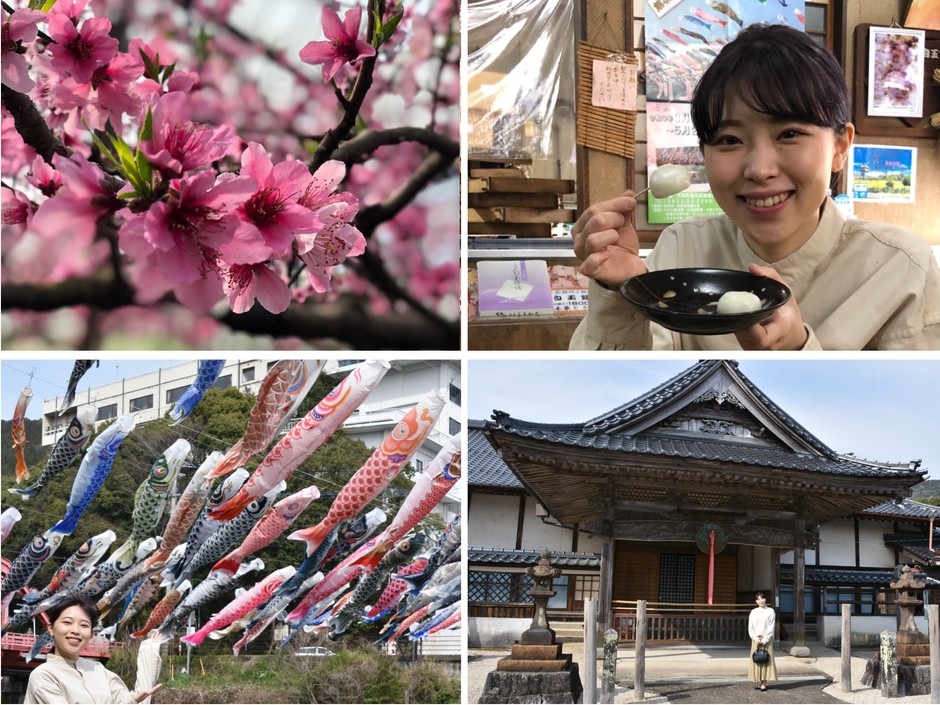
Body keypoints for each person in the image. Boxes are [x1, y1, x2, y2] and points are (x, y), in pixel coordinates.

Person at [570, 23, 940, 351]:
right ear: (703, 153)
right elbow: (613, 387)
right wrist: (621, 292)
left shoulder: (899, 269)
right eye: (729, 140)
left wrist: (798, 352)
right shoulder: (683, 248)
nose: (759, 170)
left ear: (840, 148)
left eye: (789, 133)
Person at [25, 595, 163, 704]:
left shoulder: (98, 670)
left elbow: (128, 699)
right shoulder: (43, 676)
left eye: (84, 625)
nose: (75, 630)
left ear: (91, 634)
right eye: (67, 622)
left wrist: (149, 653)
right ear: (50, 628)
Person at [748, 591, 777, 691]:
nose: (761, 601)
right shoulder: (753, 612)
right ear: (756, 601)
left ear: (766, 599)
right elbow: (750, 627)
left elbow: (771, 627)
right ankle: (760, 681)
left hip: (766, 639)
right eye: (758, 599)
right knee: (757, 659)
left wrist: (764, 640)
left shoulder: (770, 611)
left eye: (762, 598)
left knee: (765, 660)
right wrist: (756, 638)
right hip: (755, 639)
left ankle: (764, 683)